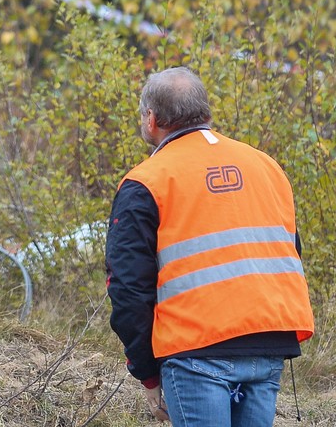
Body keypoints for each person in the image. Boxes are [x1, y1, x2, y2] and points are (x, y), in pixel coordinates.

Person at [105, 67, 314, 426]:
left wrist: (146, 371)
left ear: (151, 119)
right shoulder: (266, 166)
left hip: (196, 351)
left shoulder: (146, 181)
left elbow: (127, 286)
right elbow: (289, 251)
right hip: (268, 344)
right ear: (204, 111)